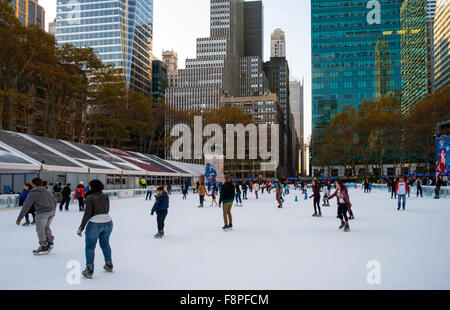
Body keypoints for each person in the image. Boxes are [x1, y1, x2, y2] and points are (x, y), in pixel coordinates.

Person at [77, 180, 113, 279]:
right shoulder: (105, 196)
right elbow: (107, 209)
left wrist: (81, 227)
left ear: (92, 187)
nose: (88, 188)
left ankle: (89, 269)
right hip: (108, 222)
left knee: (90, 247)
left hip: (95, 224)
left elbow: (87, 213)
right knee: (105, 244)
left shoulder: (89, 197)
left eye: (89, 186)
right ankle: (109, 264)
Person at [16, 178, 57, 255]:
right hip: (52, 211)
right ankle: (50, 240)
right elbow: (55, 200)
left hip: (42, 213)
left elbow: (26, 206)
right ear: (41, 183)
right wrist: (53, 210)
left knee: (40, 229)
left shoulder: (33, 193)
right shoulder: (48, 191)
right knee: (46, 227)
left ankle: (44, 245)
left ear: (32, 184)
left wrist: (19, 218)